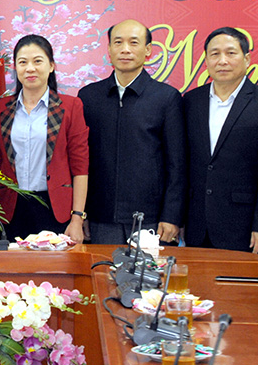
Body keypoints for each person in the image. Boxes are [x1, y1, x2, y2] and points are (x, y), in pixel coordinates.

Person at [183, 27, 258, 254]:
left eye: (231, 53)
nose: (222, 61)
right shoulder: (191, 101)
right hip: (197, 224)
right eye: (215, 54)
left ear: (247, 58)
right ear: (206, 60)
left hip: (245, 227)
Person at [77, 19, 186, 245]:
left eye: (134, 42)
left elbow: (177, 164)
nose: (125, 49)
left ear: (148, 50)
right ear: (109, 49)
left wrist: (171, 216)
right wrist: (81, 214)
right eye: (118, 42)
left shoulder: (166, 98)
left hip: (151, 220)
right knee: (101, 268)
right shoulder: (89, 97)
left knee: (150, 269)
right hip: (101, 218)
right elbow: (81, 161)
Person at [0, 35, 89, 242]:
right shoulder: (0, 109)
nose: (30, 68)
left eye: (37, 61)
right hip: (11, 208)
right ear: (15, 68)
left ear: (51, 66)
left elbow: (80, 167)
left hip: (56, 208)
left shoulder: (70, 107)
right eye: (23, 62)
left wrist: (77, 218)